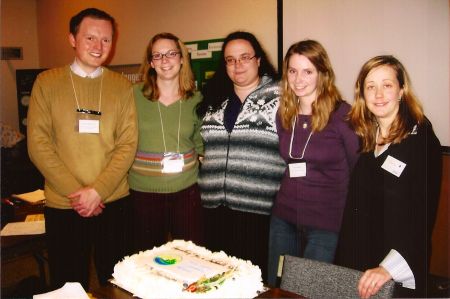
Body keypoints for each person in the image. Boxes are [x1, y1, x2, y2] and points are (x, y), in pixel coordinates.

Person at [27, 8, 138, 290]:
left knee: (117, 283)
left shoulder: (123, 86)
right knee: (66, 283)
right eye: (90, 38)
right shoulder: (47, 82)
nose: (98, 47)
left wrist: (97, 190)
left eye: (106, 40)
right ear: (72, 39)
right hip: (64, 203)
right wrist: (79, 195)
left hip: (112, 201)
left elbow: (127, 145)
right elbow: (38, 144)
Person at [337, 55, 442, 298]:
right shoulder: (367, 136)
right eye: (370, 87)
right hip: (362, 263)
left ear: (402, 90)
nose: (378, 94)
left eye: (387, 85)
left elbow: (422, 216)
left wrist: (388, 268)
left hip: (395, 271)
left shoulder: (421, 141)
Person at [267, 40, 359, 286]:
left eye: (308, 71)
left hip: (325, 224)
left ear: (323, 74)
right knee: (277, 285)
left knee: (309, 289)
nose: (298, 79)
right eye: (293, 71)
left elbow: (357, 169)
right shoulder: (284, 113)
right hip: (284, 217)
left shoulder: (343, 116)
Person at [197, 31, 286, 281]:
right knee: (216, 279)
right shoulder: (214, 99)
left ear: (259, 60)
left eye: (245, 57)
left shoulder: (283, 96)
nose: (238, 65)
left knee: (253, 282)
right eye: (230, 60)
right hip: (214, 207)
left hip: (257, 211)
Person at [128, 32, 204, 252]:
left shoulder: (197, 99)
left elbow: (200, 142)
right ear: (151, 63)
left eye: (171, 53)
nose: (165, 60)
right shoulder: (133, 96)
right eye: (158, 55)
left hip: (186, 191)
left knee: (191, 256)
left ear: (182, 58)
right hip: (144, 193)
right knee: (147, 259)